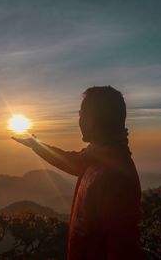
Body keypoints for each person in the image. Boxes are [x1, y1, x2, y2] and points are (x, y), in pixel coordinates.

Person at [12, 86, 144, 260]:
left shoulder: (116, 175)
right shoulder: (98, 158)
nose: (79, 120)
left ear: (95, 120)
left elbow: (122, 248)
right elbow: (68, 160)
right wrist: (36, 145)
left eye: (82, 114)